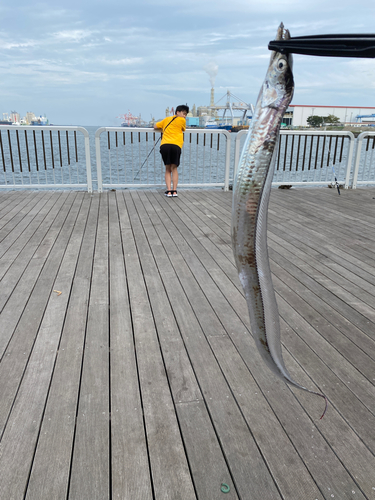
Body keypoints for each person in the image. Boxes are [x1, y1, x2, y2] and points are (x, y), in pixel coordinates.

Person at [154, 104, 189, 197]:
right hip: (176, 146)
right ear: (177, 112)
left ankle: (168, 191)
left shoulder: (166, 119)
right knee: (174, 168)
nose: (184, 116)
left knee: (167, 169)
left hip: (165, 145)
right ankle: (174, 191)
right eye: (183, 113)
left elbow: (155, 126)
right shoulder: (182, 120)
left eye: (186, 114)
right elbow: (183, 129)